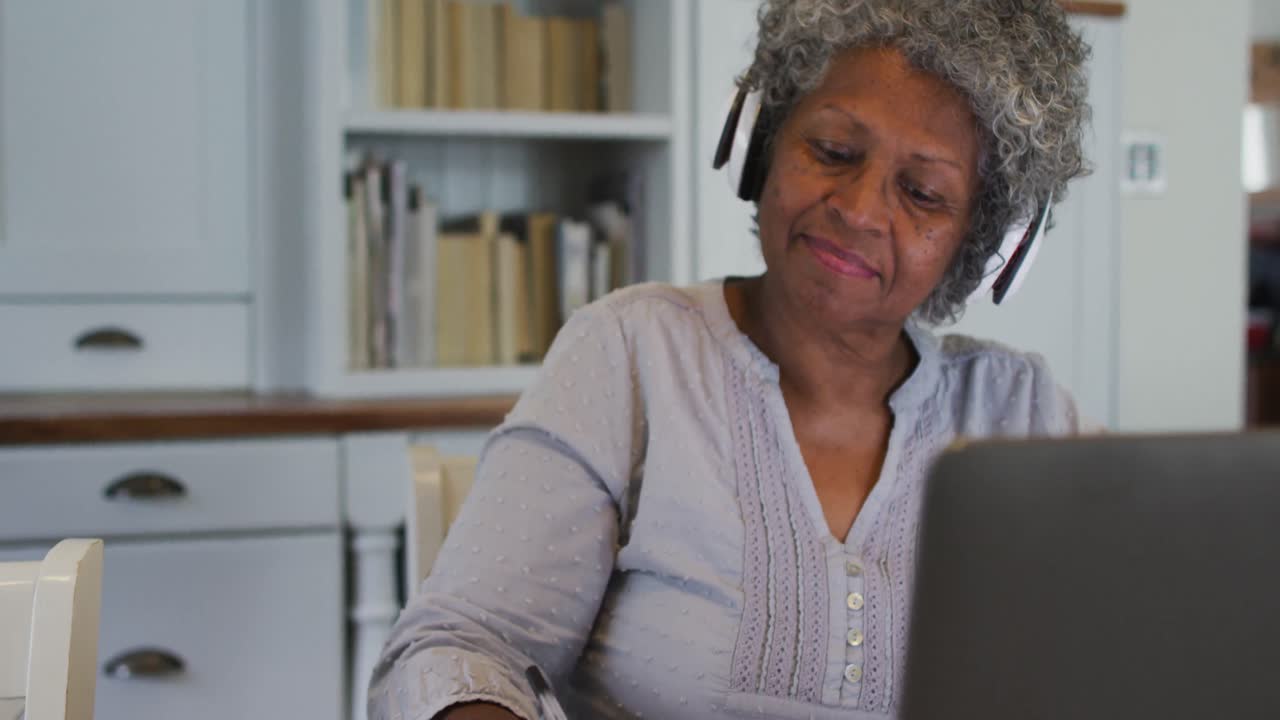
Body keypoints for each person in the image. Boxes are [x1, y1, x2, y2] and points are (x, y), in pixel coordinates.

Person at [369, 0, 1091, 718]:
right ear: (764, 143)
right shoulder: (632, 353)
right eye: (835, 151)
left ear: (981, 241)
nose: (862, 209)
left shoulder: (1021, 413)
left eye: (922, 192)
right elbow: (459, 650)